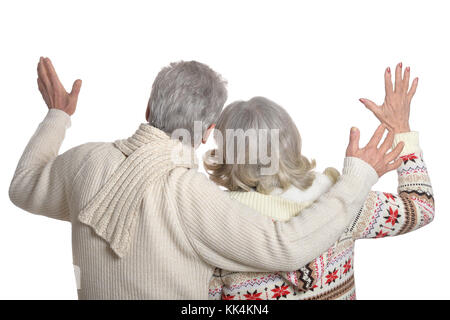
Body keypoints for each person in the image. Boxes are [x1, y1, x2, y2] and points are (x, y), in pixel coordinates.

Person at [9, 57, 398, 299]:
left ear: (148, 106)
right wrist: (355, 180)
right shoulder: (193, 196)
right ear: (211, 130)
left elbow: (23, 185)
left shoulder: (85, 162)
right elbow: (288, 247)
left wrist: (57, 115)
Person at [207, 64, 434, 300]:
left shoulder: (216, 226)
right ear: (292, 140)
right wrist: (400, 128)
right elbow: (421, 208)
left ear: (227, 154)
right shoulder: (347, 200)